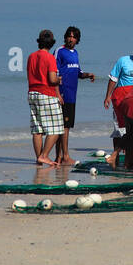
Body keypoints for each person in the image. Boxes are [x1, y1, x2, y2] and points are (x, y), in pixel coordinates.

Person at [104, 42, 133, 168]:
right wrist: (107, 96)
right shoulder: (123, 61)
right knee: (119, 130)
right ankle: (116, 159)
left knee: (132, 130)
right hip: (120, 98)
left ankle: (129, 161)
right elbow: (113, 79)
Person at [54, 26, 97, 165]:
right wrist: (57, 93)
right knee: (63, 127)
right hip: (62, 93)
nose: (71, 39)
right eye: (69, 36)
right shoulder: (59, 51)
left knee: (65, 127)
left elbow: (77, 72)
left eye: (74, 37)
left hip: (72, 94)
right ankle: (64, 156)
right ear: (65, 37)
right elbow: (53, 72)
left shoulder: (75, 53)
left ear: (77, 39)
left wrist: (87, 74)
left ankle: (59, 157)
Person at [27, 30, 64, 167]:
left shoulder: (31, 56)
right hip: (46, 93)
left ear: (39, 42)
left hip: (32, 93)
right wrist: (59, 80)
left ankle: (39, 158)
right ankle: (44, 155)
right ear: (52, 43)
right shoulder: (50, 58)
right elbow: (52, 79)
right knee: (57, 128)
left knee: (37, 129)